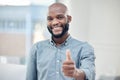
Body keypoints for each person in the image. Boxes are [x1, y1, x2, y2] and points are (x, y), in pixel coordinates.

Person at [26, 2, 95, 80]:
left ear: (69, 19)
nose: (55, 22)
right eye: (50, 19)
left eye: (60, 17)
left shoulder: (84, 48)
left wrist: (76, 73)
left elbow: (90, 73)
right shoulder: (37, 48)